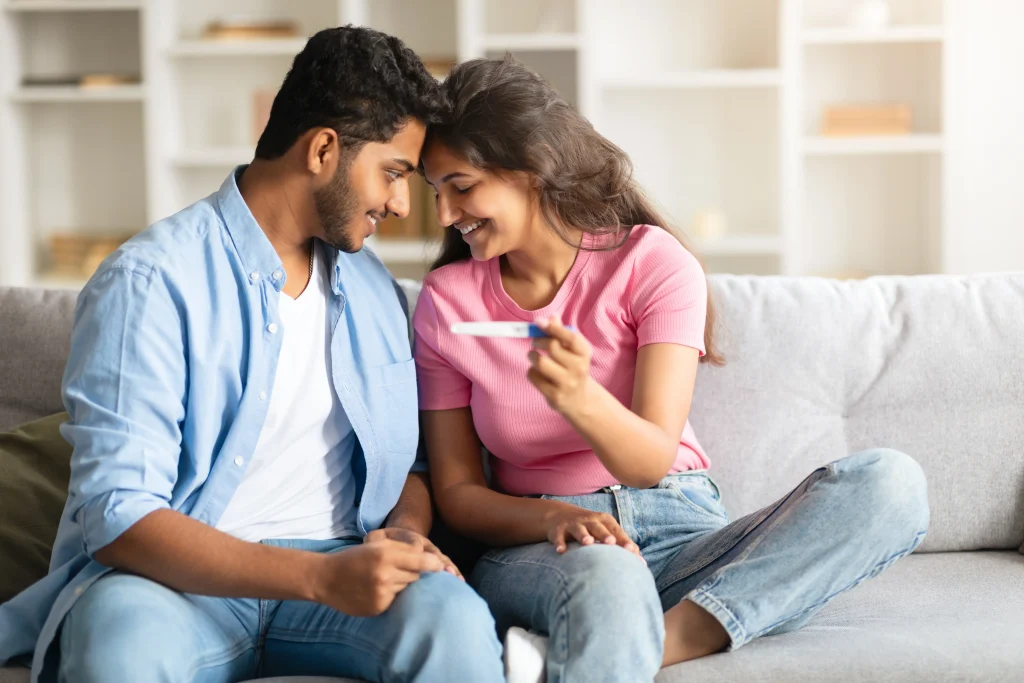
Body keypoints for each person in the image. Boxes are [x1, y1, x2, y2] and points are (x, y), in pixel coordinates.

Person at [0, 27, 504, 683]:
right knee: (114, 644)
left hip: (343, 568)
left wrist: (403, 532)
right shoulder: (151, 281)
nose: (402, 203)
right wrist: (319, 577)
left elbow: (405, 465)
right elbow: (117, 512)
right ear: (324, 149)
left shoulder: (376, 290)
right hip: (173, 586)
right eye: (393, 172)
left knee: (455, 619)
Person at [414, 56, 930, 683]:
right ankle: (651, 629)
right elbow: (460, 496)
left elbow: (649, 458)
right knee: (608, 572)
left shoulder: (651, 264)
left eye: (461, 186)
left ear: (530, 168)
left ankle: (653, 642)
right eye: (433, 191)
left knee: (891, 485)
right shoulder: (447, 301)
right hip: (547, 544)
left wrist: (580, 397)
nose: (444, 215)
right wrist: (554, 517)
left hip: (681, 533)